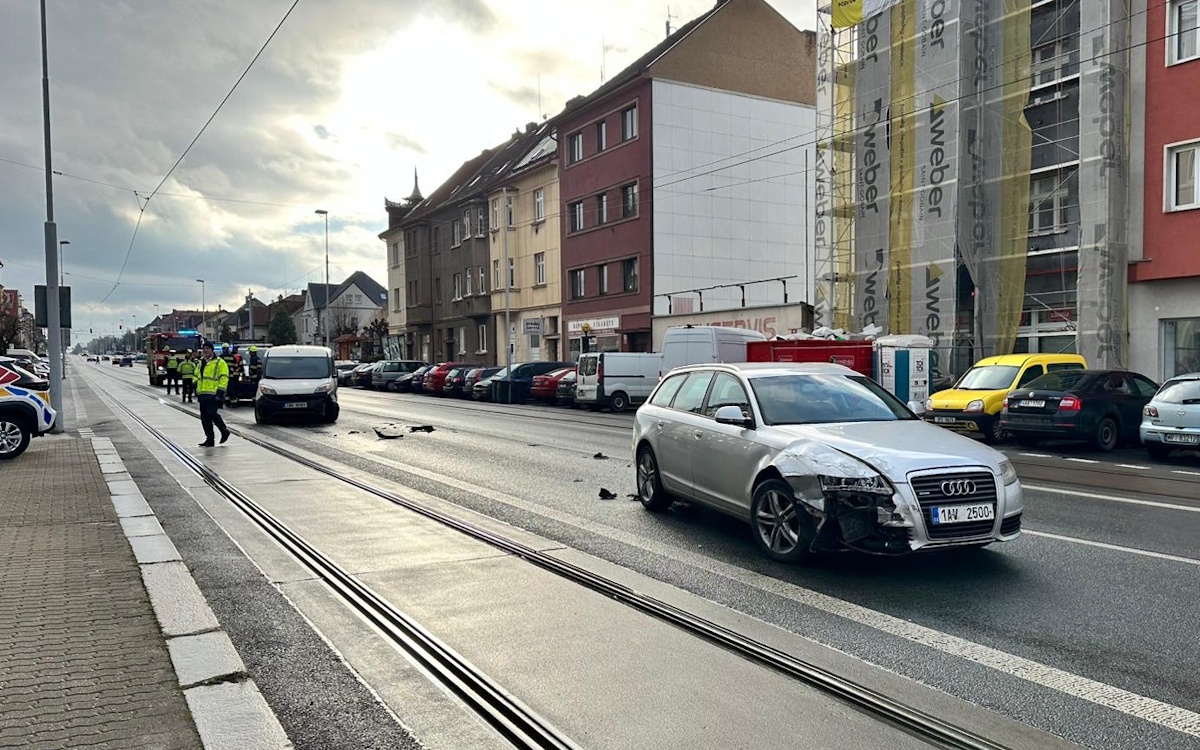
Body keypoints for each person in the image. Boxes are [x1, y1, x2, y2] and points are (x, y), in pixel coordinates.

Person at [195, 342, 230, 447]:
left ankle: (224, 431)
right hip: (202, 393)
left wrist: (220, 392)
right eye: (204, 348)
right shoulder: (200, 362)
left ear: (212, 350)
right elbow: (196, 375)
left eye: (208, 348)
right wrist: (194, 383)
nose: (205, 350)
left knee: (212, 413)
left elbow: (224, 377)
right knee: (204, 418)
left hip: (213, 394)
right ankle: (210, 439)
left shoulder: (220, 362)